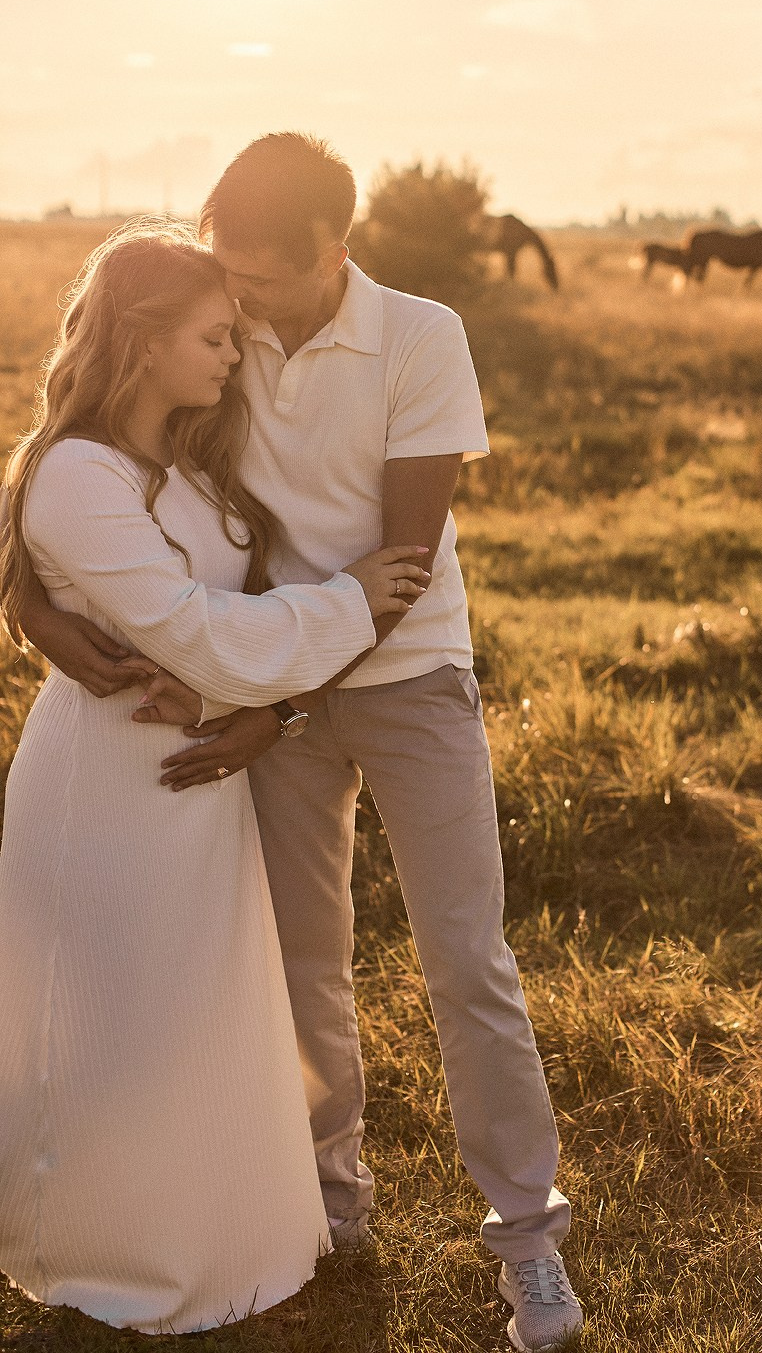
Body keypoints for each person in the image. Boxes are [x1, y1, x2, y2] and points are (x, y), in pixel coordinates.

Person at [20, 134, 584, 1353]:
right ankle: (333, 1203)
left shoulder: (421, 337)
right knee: (301, 963)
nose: (240, 302)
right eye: (225, 273)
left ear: (332, 250)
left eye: (260, 279)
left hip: (401, 675)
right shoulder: (223, 331)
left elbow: (401, 563)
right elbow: (104, 474)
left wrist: (272, 705)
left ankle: (526, 1237)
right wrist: (35, 604)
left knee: (465, 960)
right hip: (263, 680)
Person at [0, 221, 431, 1334]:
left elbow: (228, 622)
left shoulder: (192, 460)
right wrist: (351, 602)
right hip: (108, 780)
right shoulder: (77, 475)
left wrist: (262, 705)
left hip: (201, 776)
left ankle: (218, 1229)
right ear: (142, 342)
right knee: (112, 1011)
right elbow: (201, 635)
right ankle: (103, 1243)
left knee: (196, 1006)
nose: (235, 357)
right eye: (212, 337)